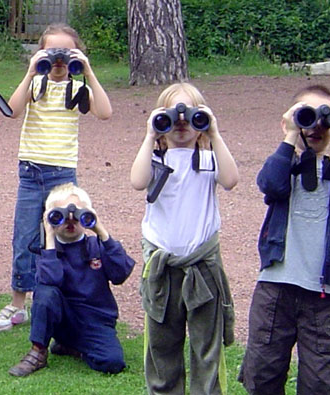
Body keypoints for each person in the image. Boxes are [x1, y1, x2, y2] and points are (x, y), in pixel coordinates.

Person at [0, 23, 112, 332]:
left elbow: (105, 112)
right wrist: (32, 71)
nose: (58, 62)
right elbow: (12, 111)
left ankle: (69, 297)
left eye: (66, 53)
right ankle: (18, 303)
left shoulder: (79, 89)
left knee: (68, 234)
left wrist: (87, 71)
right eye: (51, 53)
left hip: (63, 173)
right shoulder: (36, 84)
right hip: (31, 171)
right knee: (25, 238)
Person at [238, 85, 330, 394]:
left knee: (321, 382)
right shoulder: (285, 168)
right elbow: (270, 184)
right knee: (262, 373)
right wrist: (290, 136)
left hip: (323, 294)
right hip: (276, 287)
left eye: (325, 118)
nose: (316, 125)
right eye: (307, 115)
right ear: (290, 121)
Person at [129, 82, 239, 394]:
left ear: (201, 121)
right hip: (163, 266)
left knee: (207, 346)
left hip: (201, 265)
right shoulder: (155, 160)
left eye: (191, 115)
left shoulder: (208, 159)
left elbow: (231, 180)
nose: (181, 122)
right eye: (171, 116)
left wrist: (214, 133)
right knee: (162, 345)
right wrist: (151, 134)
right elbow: (137, 181)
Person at [8, 183, 134, 377]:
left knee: (112, 363)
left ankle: (73, 347)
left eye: (77, 216)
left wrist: (100, 230)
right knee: (45, 290)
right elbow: (51, 280)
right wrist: (49, 237)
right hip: (62, 319)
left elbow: (121, 273)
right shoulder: (46, 251)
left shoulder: (96, 246)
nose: (70, 221)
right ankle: (38, 351)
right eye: (60, 215)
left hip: (95, 321)